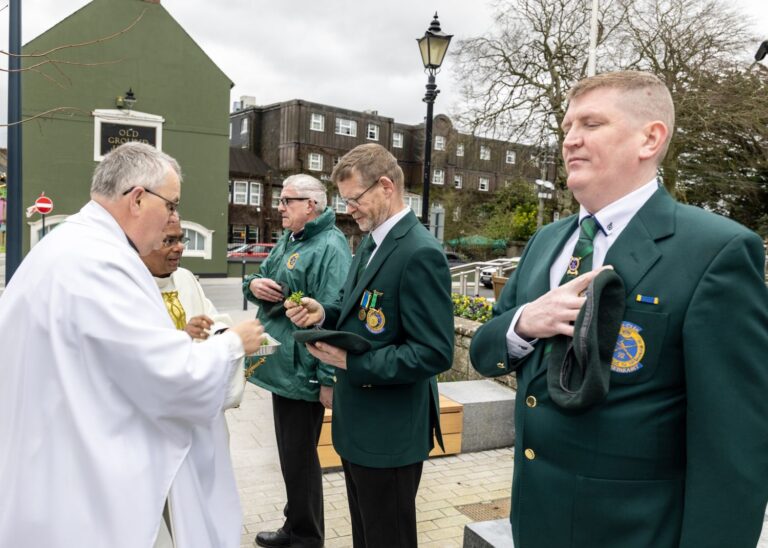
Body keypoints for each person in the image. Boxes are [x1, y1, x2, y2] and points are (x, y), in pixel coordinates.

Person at [469, 70, 768, 548]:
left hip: (633, 532)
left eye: (591, 124)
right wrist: (525, 322)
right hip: (535, 522)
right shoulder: (547, 241)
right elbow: (486, 353)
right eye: (567, 127)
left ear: (650, 139)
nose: (570, 140)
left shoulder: (715, 250)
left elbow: (733, 444)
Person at [0, 142, 266, 548]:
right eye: (171, 205)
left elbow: (119, 352)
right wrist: (232, 344)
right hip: (85, 481)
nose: (173, 219)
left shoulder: (68, 244)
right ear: (138, 198)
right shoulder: (102, 262)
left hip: (52, 457)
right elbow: (169, 378)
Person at [286, 143, 454, 548]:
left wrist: (351, 363)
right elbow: (352, 307)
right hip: (360, 429)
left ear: (385, 187)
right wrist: (322, 313)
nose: (349, 210)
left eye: (354, 199)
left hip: (390, 436)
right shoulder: (373, 242)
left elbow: (434, 352)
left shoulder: (419, 252)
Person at [242, 174, 351, 548]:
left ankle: (306, 537)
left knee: (300, 458)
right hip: (284, 367)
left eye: (287, 200)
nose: (280, 207)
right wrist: (253, 286)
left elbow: (333, 317)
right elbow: (263, 277)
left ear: (311, 205)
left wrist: (327, 379)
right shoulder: (292, 238)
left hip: (304, 370)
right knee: (292, 457)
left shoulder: (331, 246)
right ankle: (296, 526)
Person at [141, 217, 241, 548]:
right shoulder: (131, 287)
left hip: (199, 414)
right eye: (169, 241)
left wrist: (224, 335)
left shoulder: (185, 278)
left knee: (203, 496)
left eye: (181, 239)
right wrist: (181, 337)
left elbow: (212, 317)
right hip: (160, 421)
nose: (180, 248)